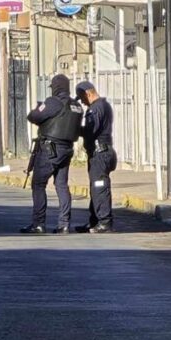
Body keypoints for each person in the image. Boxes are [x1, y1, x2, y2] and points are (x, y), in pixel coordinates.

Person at [21, 74, 83, 234]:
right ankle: (64, 224)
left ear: (55, 87)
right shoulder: (76, 105)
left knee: (38, 184)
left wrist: (38, 107)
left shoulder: (53, 102)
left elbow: (33, 116)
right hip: (67, 150)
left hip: (50, 149)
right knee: (61, 185)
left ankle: (39, 224)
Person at [74, 81, 115, 234]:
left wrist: (76, 129)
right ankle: (95, 220)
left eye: (82, 98)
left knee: (99, 187)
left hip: (100, 153)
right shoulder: (103, 105)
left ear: (88, 94)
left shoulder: (96, 108)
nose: (83, 103)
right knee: (95, 188)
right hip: (100, 153)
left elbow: (92, 130)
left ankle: (104, 222)